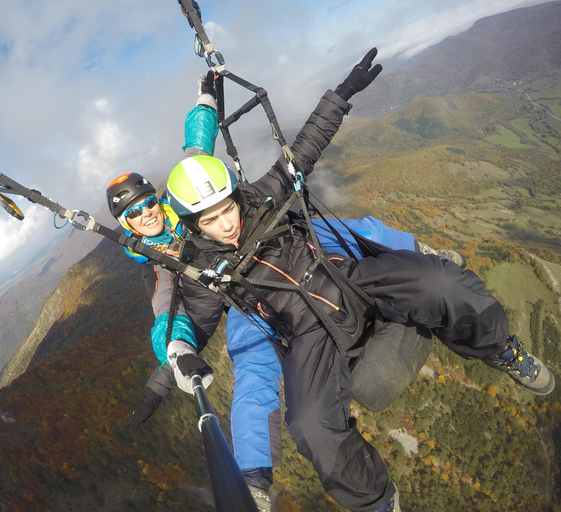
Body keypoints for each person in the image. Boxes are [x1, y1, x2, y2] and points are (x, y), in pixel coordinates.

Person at [163, 48, 555, 512]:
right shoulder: (201, 270)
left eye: (227, 209)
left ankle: (500, 349)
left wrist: (342, 94)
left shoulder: (262, 197)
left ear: (234, 195)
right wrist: (178, 359)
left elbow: (305, 148)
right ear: (192, 225)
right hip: (306, 334)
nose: (226, 224)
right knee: (311, 426)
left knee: (442, 283)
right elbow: (196, 324)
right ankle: (378, 504)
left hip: (346, 278)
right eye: (211, 220)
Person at [109, 52, 470, 510]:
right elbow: (170, 320)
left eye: (145, 201)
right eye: (132, 213)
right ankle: (253, 480)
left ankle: (423, 258)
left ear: (155, 196)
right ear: (124, 224)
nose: (145, 213)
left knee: (348, 231)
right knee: (253, 368)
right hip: (240, 297)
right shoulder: (159, 266)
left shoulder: (187, 194)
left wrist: (206, 93)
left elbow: (197, 140)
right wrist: (172, 365)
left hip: (265, 242)